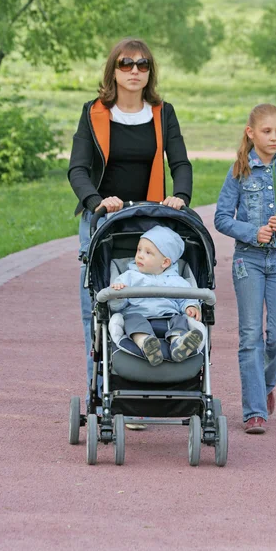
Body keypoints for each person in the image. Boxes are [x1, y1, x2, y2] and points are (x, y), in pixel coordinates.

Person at [68, 37, 193, 405]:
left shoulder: (162, 112)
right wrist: (95, 201)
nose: (135, 71)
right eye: (126, 64)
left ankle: (157, 385)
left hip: (148, 221)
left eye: (142, 64)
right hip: (104, 222)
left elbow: (180, 163)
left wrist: (180, 197)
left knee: (154, 303)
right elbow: (77, 168)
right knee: (101, 305)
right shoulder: (93, 113)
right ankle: (104, 390)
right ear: (114, 71)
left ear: (150, 72)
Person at [214, 103, 276, 435]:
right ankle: (254, 410)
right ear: (251, 133)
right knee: (250, 335)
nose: (274, 137)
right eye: (267, 131)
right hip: (249, 262)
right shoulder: (238, 172)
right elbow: (222, 218)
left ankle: (266, 383)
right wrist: (250, 231)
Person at [110, 225, 203, 366]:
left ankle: (179, 343)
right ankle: (146, 344)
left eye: (148, 252)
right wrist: (118, 294)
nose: (140, 255)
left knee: (180, 320)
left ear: (165, 262)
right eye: (139, 250)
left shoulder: (176, 280)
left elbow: (187, 297)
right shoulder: (128, 277)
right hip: (138, 315)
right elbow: (115, 306)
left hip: (168, 317)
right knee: (131, 322)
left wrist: (191, 306)